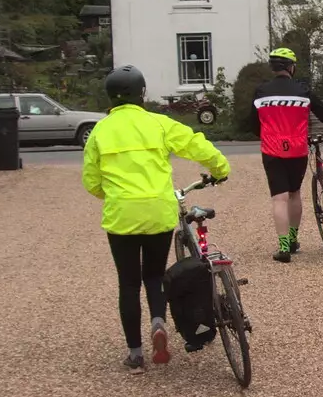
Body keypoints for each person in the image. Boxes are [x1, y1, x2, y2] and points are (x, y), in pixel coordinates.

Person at [82, 65, 231, 373]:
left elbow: (91, 181)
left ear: (110, 97)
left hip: (122, 214)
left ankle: (135, 355)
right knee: (153, 275)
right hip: (157, 212)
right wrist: (220, 168)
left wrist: (113, 195)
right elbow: (195, 144)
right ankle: (158, 323)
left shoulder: (100, 131)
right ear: (143, 93)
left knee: (128, 282)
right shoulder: (159, 124)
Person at [252, 47, 323, 262]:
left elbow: (251, 123)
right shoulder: (302, 91)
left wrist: (265, 132)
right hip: (297, 149)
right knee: (294, 194)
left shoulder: (261, 92)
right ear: (291, 67)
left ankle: (283, 248)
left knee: (279, 198)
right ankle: (293, 238)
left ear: (273, 68)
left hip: (272, 149)